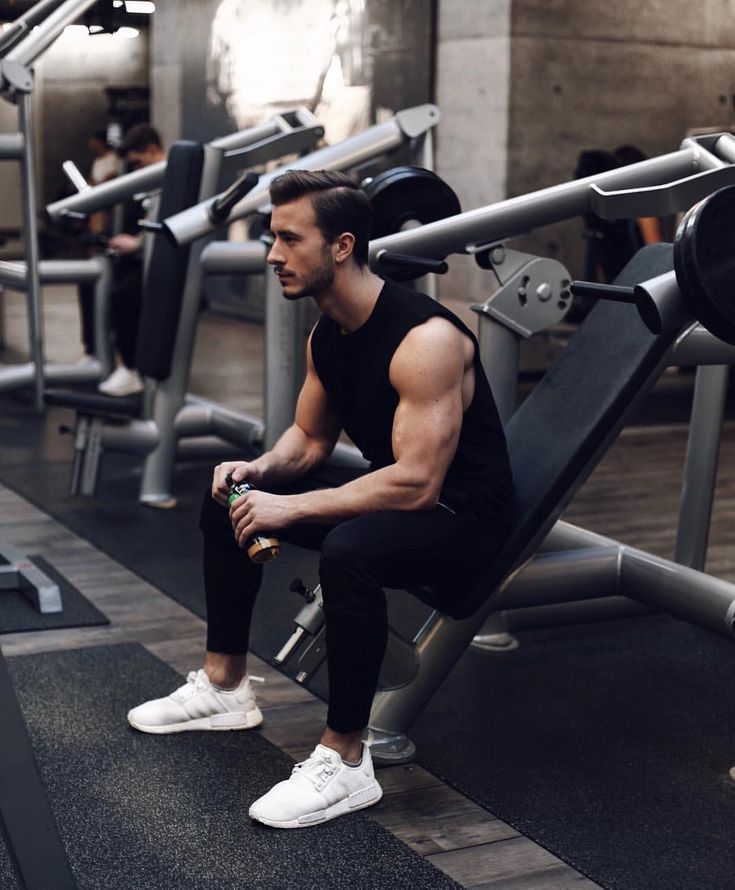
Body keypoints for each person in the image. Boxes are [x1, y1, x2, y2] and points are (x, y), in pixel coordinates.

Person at [127, 170, 515, 828]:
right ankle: (224, 688)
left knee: (349, 549)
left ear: (340, 245)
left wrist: (293, 508)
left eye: (287, 238)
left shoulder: (425, 341)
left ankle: (345, 760)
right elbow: (308, 438)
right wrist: (260, 470)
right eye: (270, 237)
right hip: (397, 493)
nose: (272, 254)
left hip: (460, 518)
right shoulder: (327, 331)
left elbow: (418, 484)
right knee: (231, 498)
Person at [97, 123, 165, 397]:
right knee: (98, 282)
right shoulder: (151, 179)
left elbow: (167, 224)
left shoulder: (170, 175)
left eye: (137, 162)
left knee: (124, 294)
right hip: (147, 258)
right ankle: (99, 354)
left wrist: (137, 243)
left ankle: (132, 368)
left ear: (151, 151)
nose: (135, 169)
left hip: (166, 263)